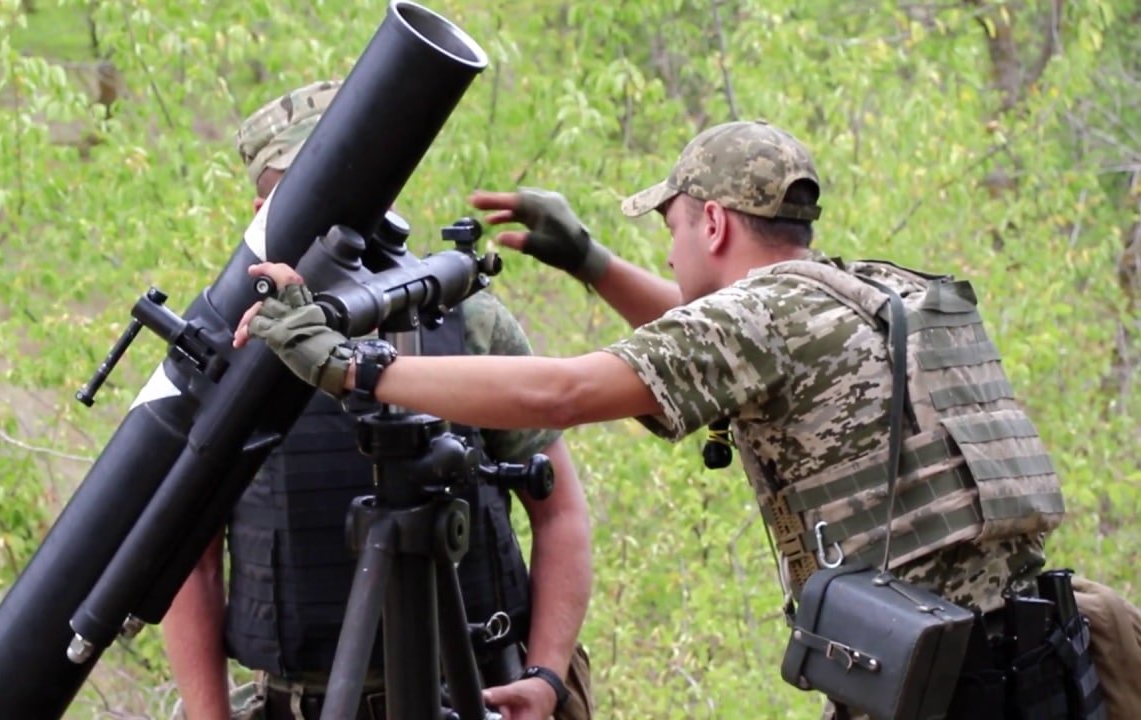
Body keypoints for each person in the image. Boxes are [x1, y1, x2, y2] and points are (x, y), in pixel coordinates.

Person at [236, 119, 1130, 718]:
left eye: (669, 227)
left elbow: (564, 393)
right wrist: (590, 261)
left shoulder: (761, 319)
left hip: (951, 689)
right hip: (1042, 656)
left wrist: (355, 365)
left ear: (710, 224)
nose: (667, 245)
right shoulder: (868, 291)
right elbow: (712, 345)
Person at [163, 80, 595, 720]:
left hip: (483, 687)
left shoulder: (462, 318)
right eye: (308, 200)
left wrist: (547, 675)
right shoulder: (223, 346)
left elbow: (558, 512)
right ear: (261, 213)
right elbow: (189, 565)